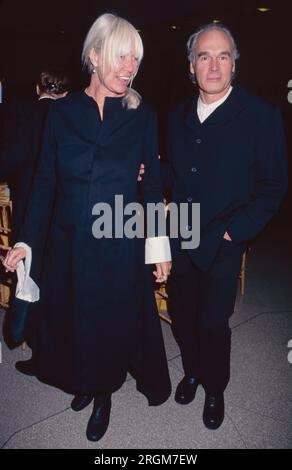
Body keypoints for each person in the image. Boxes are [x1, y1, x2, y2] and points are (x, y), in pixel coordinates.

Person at [2, 13, 171, 442]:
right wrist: (24, 240)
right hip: (67, 240)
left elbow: (151, 185)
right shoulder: (60, 115)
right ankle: (81, 379)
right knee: (72, 317)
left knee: (109, 321)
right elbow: (42, 182)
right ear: (94, 56)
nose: (129, 67)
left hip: (118, 241)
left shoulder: (141, 116)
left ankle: (103, 393)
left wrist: (158, 247)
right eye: (120, 57)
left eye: (135, 58)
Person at [163, 23, 287, 430]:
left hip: (223, 239)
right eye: (204, 56)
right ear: (190, 65)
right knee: (181, 314)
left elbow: (273, 186)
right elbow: (176, 174)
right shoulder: (177, 116)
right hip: (182, 234)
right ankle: (193, 371)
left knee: (212, 322)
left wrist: (236, 232)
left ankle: (214, 386)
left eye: (222, 56)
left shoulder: (261, 116)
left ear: (234, 64)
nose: (213, 65)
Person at [0, 68, 69, 360]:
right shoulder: (71, 117)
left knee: (28, 275)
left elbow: (9, 160)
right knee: (59, 278)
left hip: (29, 211)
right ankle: (54, 344)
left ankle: (28, 336)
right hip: (64, 214)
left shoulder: (18, 114)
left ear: (36, 88)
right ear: (64, 93)